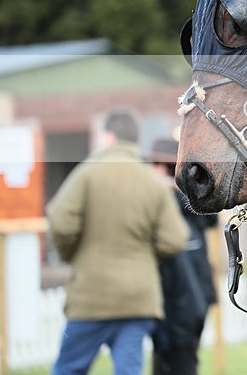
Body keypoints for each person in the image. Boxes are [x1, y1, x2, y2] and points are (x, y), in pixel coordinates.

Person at [46, 110, 189, 375]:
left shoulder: (87, 175)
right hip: (138, 297)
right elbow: (176, 238)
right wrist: (144, 253)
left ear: (109, 137)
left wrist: (71, 255)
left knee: (69, 369)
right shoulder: (153, 183)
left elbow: (60, 222)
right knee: (128, 370)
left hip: (91, 295)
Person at [149, 138, 218, 375]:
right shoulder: (153, 195)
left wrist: (176, 188)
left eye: (161, 164)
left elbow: (211, 219)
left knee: (185, 357)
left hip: (192, 288)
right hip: (167, 288)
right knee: (163, 356)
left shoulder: (188, 196)